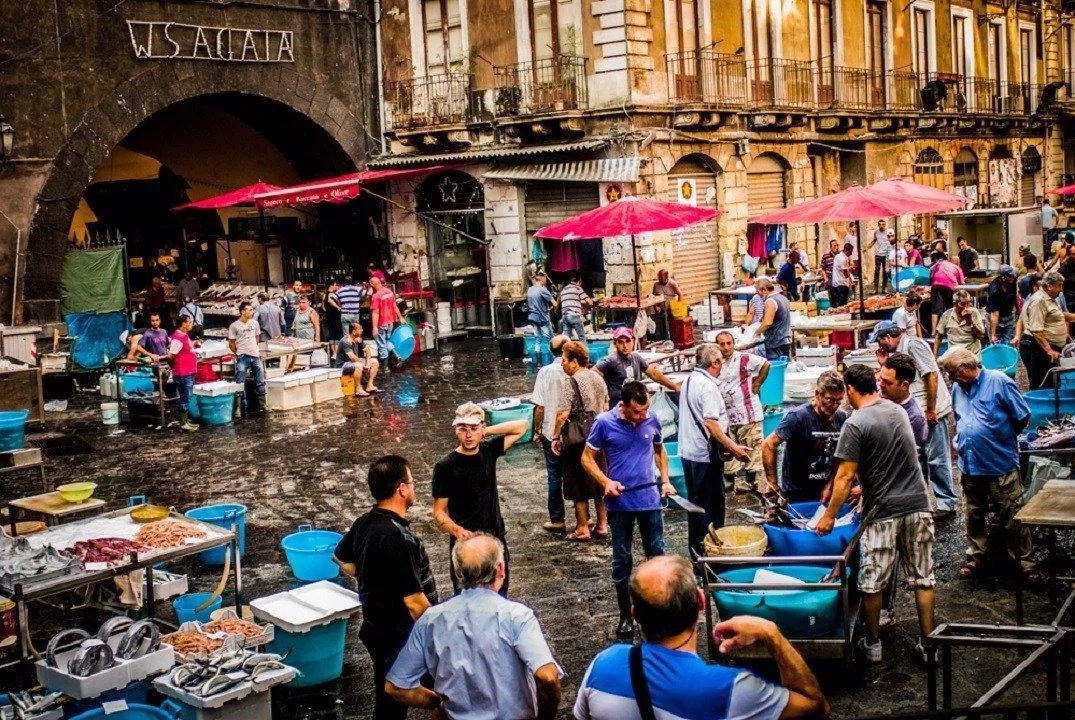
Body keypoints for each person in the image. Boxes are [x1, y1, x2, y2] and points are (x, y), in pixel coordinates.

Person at [574, 555, 828, 720]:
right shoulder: (730, 688)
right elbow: (816, 707)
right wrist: (771, 633)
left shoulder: (602, 664)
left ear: (634, 614)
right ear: (701, 601)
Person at [817, 364, 936, 665]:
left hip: (883, 513)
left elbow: (844, 476)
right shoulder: (897, 411)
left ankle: (873, 644)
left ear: (851, 390)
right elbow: (895, 458)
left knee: (872, 582)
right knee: (923, 579)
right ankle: (929, 643)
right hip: (918, 505)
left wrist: (829, 516)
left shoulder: (855, 424)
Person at [385, 534, 562, 720]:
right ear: (500, 569)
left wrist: (439, 703)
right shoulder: (516, 616)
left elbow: (395, 686)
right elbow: (548, 677)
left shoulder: (430, 620)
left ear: (456, 571)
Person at [334, 455, 437, 720]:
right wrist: (443, 634)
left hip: (375, 629)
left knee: (387, 698)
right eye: (412, 482)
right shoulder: (400, 538)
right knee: (399, 698)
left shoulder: (364, 522)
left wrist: (373, 575)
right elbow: (415, 604)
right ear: (402, 489)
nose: (414, 488)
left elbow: (342, 558)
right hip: (400, 635)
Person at [582, 380, 674, 640]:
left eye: (645, 411)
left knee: (657, 554)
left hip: (649, 499)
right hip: (620, 504)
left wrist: (665, 480)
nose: (641, 416)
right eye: (636, 412)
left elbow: (660, 450)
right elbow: (586, 458)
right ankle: (626, 615)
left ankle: (660, 612)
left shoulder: (651, 419)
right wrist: (606, 482)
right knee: (622, 558)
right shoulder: (604, 422)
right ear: (623, 405)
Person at [941, 349, 1034, 581]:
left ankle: (1025, 561)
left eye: (952, 372)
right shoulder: (957, 388)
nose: (950, 378)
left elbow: (1022, 416)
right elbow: (960, 418)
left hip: (999, 461)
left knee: (1012, 514)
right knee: (973, 514)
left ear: (965, 367)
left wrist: (1001, 437)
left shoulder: (1000, 382)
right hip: (970, 463)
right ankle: (975, 555)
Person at [432, 403, 528, 595]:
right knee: (466, 597)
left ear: (482, 428)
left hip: (494, 537)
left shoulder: (489, 451)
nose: (468, 435)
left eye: (474, 428)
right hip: (466, 544)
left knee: (499, 595)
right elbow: (439, 512)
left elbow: (522, 426)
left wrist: (486, 431)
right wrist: (458, 531)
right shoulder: (445, 466)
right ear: (455, 430)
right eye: (463, 429)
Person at [872, 321, 956, 515]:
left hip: (932, 411)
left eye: (880, 341)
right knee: (920, 459)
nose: (880, 346)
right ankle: (922, 501)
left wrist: (931, 409)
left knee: (937, 458)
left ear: (888, 337)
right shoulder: (897, 354)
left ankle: (946, 503)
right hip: (917, 413)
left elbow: (931, 375)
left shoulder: (913, 345)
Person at [677, 344, 751, 555]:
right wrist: (734, 448)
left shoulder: (689, 380)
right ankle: (712, 557)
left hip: (689, 453)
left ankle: (697, 555)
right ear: (715, 363)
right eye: (721, 361)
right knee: (711, 510)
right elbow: (711, 423)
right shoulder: (708, 387)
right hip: (704, 456)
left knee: (696, 508)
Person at [552, 341, 611, 542]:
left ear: (575, 362)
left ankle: (582, 526)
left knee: (577, 481)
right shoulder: (599, 378)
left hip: (577, 437)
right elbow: (605, 406)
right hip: (599, 435)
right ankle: (602, 524)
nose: (562, 364)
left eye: (565, 360)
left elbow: (563, 414)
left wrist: (555, 436)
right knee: (598, 479)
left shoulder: (572, 381)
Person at [760, 372, 847, 502]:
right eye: (829, 399)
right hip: (797, 491)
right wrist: (773, 483)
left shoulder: (842, 418)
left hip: (826, 488)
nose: (834, 405)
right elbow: (768, 444)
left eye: (838, 401)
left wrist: (830, 484)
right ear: (817, 394)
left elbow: (840, 456)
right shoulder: (798, 417)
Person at [714, 331, 770, 493]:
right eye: (722, 344)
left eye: (729, 343)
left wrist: (758, 382)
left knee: (752, 447)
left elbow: (765, 364)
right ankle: (731, 481)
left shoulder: (744, 358)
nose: (726, 347)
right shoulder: (715, 363)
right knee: (729, 449)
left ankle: (753, 482)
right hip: (726, 416)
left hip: (748, 413)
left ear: (733, 343)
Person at [531, 334, 569, 534]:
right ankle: (585, 518)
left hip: (549, 429)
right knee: (577, 473)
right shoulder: (577, 370)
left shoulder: (545, 372)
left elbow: (539, 406)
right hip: (573, 432)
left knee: (554, 476)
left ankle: (557, 518)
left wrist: (537, 430)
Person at [879, 352, 930, 490]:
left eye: (887, 382)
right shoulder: (883, 397)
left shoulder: (913, 418)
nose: (880, 385)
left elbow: (895, 461)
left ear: (904, 385)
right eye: (881, 379)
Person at [594, 327, 679, 406]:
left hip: (636, 405)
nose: (625, 345)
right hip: (618, 407)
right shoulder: (611, 360)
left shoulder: (636, 358)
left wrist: (673, 386)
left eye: (628, 341)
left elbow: (654, 374)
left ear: (633, 341)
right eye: (621, 342)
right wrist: (603, 398)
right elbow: (592, 374)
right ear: (615, 343)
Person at [1020, 270, 1075, 389]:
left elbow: (1059, 316)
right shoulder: (1039, 300)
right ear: (1049, 286)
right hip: (1039, 348)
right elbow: (1036, 330)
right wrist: (1049, 350)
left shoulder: (1051, 298)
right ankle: (1040, 407)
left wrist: (1067, 336)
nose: (1061, 290)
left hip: (1052, 346)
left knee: (1054, 382)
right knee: (1042, 384)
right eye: (1059, 286)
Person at [228, 301, 266, 413]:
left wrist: (253, 348)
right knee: (240, 381)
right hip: (242, 356)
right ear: (242, 312)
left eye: (252, 309)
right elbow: (231, 343)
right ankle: (240, 407)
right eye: (249, 310)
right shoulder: (234, 326)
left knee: (260, 380)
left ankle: (263, 405)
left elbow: (257, 338)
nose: (252, 312)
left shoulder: (255, 323)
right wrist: (239, 351)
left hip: (255, 355)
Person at [169, 314, 200, 432]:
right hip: (183, 373)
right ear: (183, 323)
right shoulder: (177, 337)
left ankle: (185, 420)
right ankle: (183, 424)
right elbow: (171, 355)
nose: (190, 324)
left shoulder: (184, 335)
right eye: (189, 322)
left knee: (186, 396)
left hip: (188, 371)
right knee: (184, 397)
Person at [934, 289, 987, 355]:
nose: (966, 307)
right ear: (954, 304)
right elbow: (939, 337)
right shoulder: (947, 314)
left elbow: (981, 336)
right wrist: (934, 355)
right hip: (954, 355)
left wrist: (970, 321)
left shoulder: (974, 313)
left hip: (971, 355)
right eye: (963, 304)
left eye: (969, 303)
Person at [335, 322, 380, 395]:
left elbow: (368, 351)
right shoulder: (345, 341)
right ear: (353, 332)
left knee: (375, 361)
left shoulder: (358, 339)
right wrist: (363, 364)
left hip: (354, 362)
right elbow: (352, 357)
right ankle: (358, 389)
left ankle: (370, 385)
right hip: (342, 365)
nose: (362, 330)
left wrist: (367, 364)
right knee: (358, 365)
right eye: (360, 329)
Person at [370, 273, 404, 362]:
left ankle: (385, 367)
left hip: (381, 323)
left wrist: (374, 328)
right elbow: (394, 306)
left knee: (381, 344)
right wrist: (400, 317)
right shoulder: (389, 292)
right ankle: (397, 357)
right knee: (388, 341)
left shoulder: (376, 296)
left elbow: (376, 313)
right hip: (390, 322)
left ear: (372, 284)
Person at [755, 278, 792, 360]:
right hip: (785, 339)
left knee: (776, 368)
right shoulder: (782, 298)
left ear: (764, 290)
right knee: (784, 367)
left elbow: (767, 323)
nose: (758, 295)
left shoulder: (770, 301)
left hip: (775, 342)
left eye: (758, 292)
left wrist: (756, 333)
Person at [928, 251, 965, 327]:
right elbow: (962, 283)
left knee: (935, 310)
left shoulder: (939, 263)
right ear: (958, 263)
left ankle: (933, 332)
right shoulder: (958, 268)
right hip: (948, 287)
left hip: (935, 286)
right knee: (950, 308)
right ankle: (950, 327)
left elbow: (930, 273)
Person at [987, 265, 1019, 345]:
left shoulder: (1012, 282)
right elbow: (994, 314)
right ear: (1003, 278)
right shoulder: (994, 290)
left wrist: (1018, 311)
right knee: (996, 344)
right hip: (996, 319)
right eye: (1010, 276)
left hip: (1008, 316)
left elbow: (1014, 296)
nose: (1013, 277)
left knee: (1008, 343)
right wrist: (993, 334)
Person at [526, 271, 556, 354]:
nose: (546, 281)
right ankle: (553, 359)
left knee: (538, 339)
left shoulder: (530, 289)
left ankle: (538, 363)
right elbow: (555, 303)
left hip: (532, 317)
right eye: (545, 279)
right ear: (542, 279)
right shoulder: (543, 290)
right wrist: (551, 308)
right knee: (551, 339)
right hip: (542, 318)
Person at [558, 275, 592, 340]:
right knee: (582, 337)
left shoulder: (563, 290)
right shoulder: (578, 288)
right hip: (574, 315)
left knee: (566, 338)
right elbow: (590, 303)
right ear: (579, 282)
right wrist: (587, 305)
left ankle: (564, 350)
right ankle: (584, 349)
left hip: (564, 316)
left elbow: (564, 301)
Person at [866, 219, 892, 292]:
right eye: (880, 224)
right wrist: (867, 247)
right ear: (878, 225)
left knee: (885, 272)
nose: (881, 226)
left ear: (885, 225)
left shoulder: (888, 232)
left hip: (886, 255)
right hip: (878, 255)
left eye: (883, 224)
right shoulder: (876, 232)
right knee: (877, 271)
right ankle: (875, 288)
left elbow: (892, 241)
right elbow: (874, 241)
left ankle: (884, 288)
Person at [829, 242, 855, 308]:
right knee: (842, 306)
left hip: (835, 283)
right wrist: (851, 268)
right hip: (842, 284)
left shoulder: (837, 256)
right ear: (846, 250)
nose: (851, 253)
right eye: (850, 251)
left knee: (836, 306)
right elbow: (846, 274)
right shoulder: (843, 259)